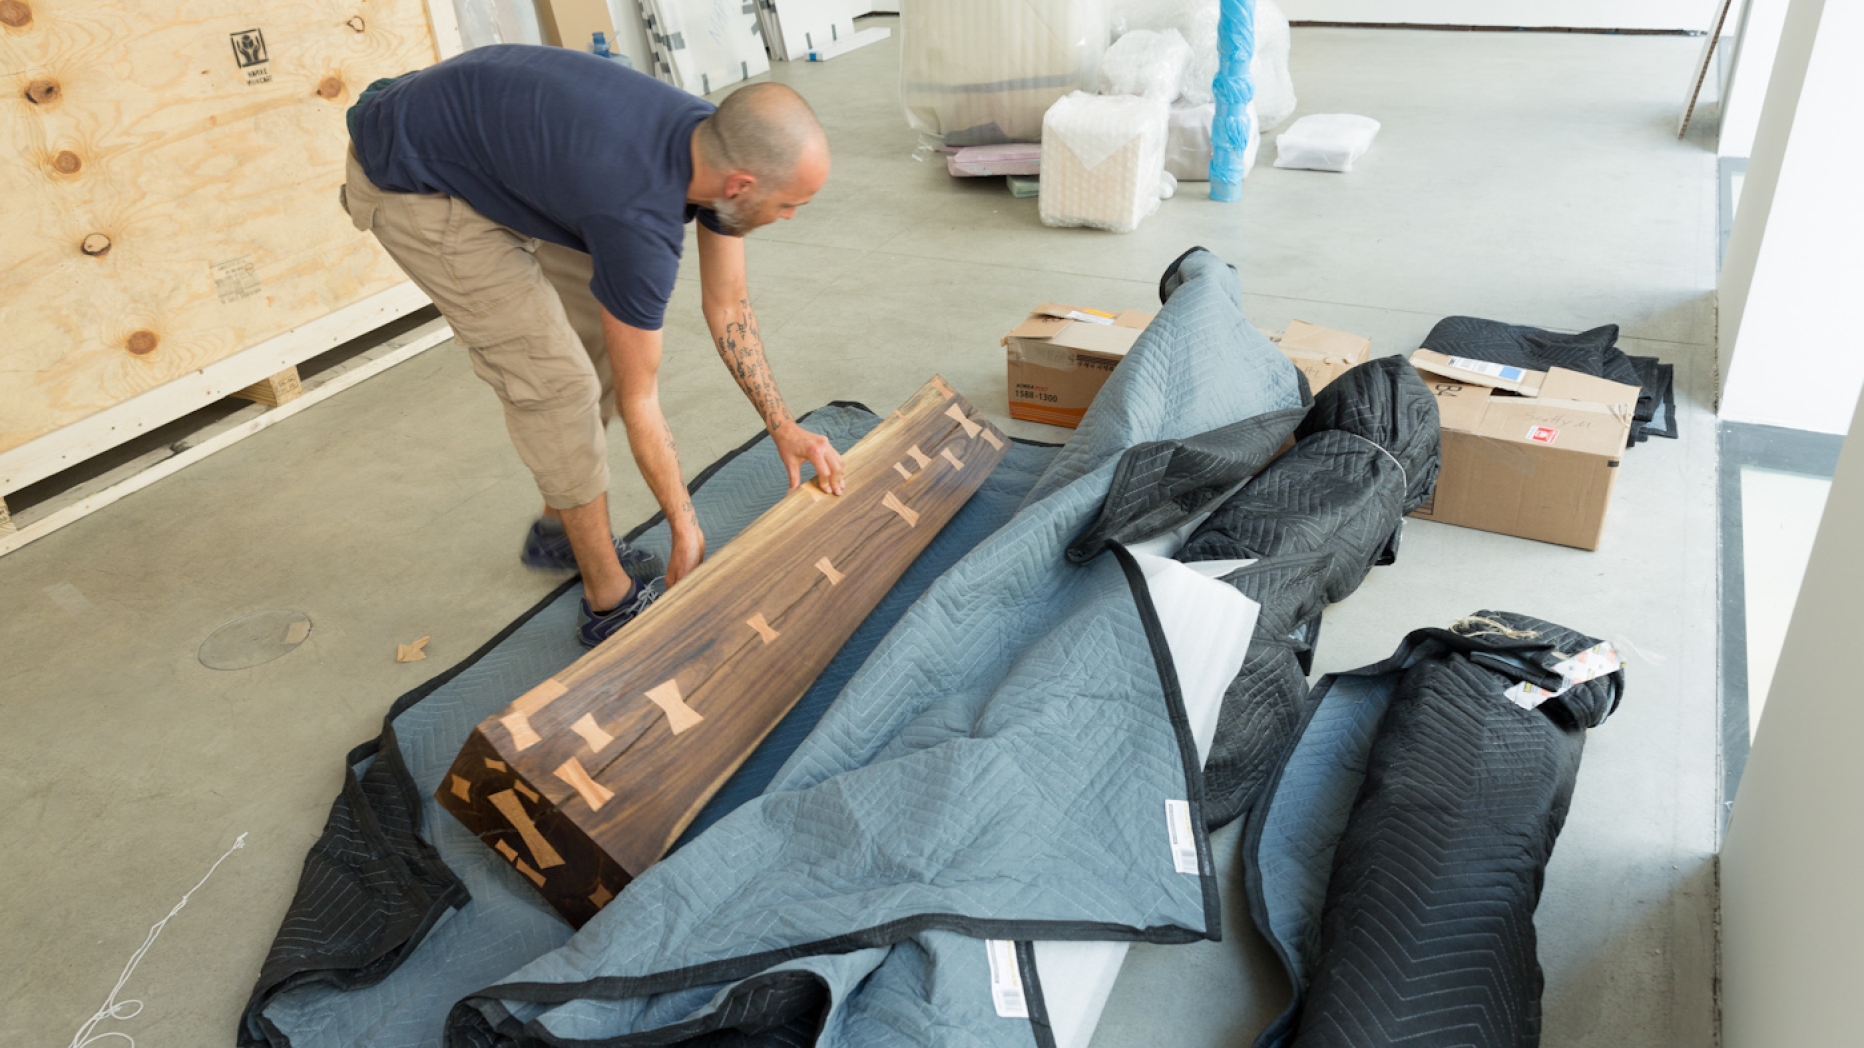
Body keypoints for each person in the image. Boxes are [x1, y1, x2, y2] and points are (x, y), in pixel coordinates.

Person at [341, 45, 845, 646]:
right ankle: (609, 601)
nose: (789, 217)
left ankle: (561, 532)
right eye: (789, 204)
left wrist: (783, 426)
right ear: (743, 184)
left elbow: (728, 305)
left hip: (483, 144)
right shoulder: (639, 217)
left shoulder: (714, 145)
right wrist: (686, 528)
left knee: (600, 331)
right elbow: (642, 401)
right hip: (412, 177)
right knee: (557, 385)